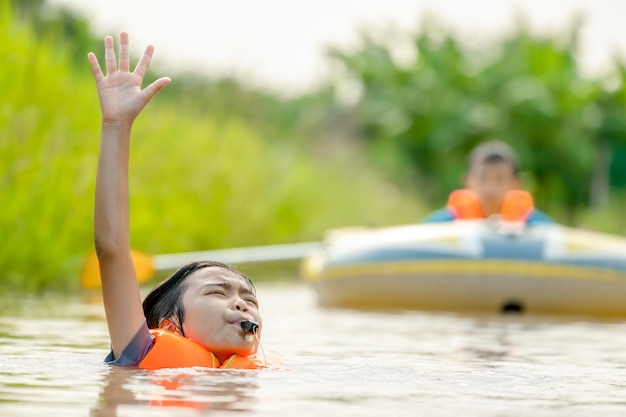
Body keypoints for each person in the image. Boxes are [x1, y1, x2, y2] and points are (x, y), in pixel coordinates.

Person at [88, 32, 279, 369]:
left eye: (248, 299)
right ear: (171, 325)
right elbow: (112, 248)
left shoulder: (262, 372)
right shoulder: (142, 352)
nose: (242, 305)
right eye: (218, 293)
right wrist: (116, 125)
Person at [421, 140, 553, 224]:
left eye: (499, 179)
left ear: (515, 183)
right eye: (482, 178)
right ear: (468, 181)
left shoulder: (537, 225)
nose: (490, 187)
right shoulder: (440, 224)